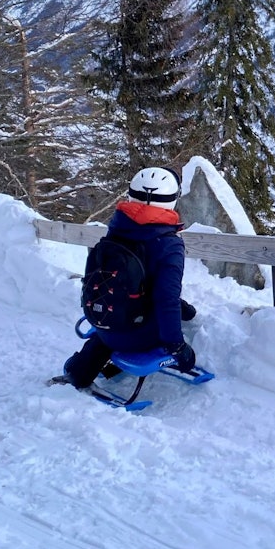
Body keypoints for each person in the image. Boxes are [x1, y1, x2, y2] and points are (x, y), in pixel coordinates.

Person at [51, 167, 197, 390]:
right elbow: (165, 298)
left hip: (104, 322)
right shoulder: (169, 243)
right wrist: (178, 347)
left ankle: (80, 373)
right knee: (137, 338)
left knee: (110, 338)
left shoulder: (117, 228)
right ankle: (112, 369)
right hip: (141, 336)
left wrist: (182, 307)